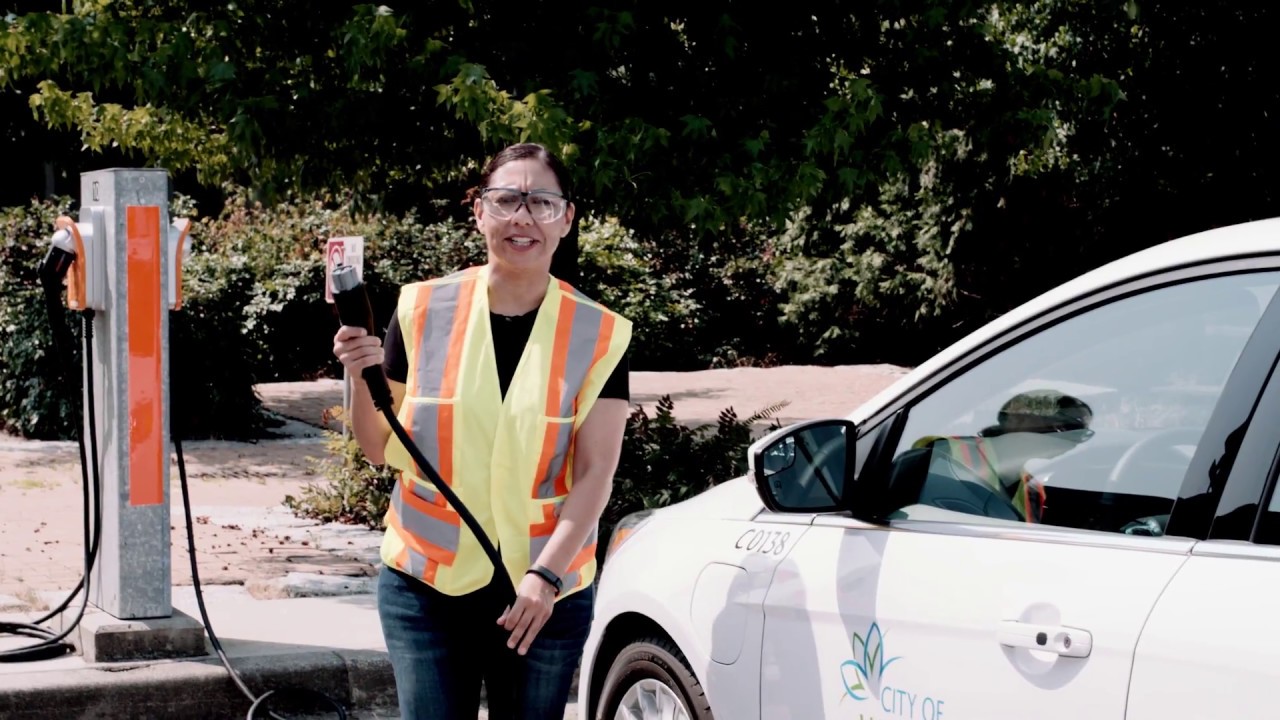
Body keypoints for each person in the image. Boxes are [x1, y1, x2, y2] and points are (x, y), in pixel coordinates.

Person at [331, 142, 633, 719]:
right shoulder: (420, 309)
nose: (522, 217)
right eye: (505, 201)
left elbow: (597, 473)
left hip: (543, 593)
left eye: (541, 202)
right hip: (426, 585)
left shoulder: (599, 332)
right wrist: (356, 374)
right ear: (478, 213)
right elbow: (376, 446)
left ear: (566, 219)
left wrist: (545, 577)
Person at [912, 389, 1094, 522]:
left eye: (1082, 433)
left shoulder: (1033, 492)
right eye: (1066, 428)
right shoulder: (941, 452)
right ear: (1017, 419)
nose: (1074, 440)